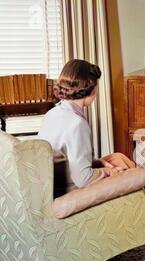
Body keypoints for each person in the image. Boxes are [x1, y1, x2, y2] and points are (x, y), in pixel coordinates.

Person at [38, 59, 137, 196]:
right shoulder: (77, 123)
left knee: (118, 158)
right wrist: (108, 171)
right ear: (90, 89)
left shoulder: (52, 113)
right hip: (67, 190)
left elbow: (67, 158)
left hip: (52, 184)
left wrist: (98, 163)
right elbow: (83, 179)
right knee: (138, 174)